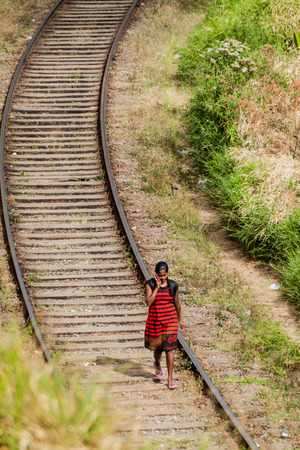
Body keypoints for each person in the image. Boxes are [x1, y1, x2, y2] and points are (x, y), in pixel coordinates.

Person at [144, 261, 185, 389]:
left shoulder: (172, 285)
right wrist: (156, 287)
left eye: (164, 275)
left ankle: (170, 379)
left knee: (170, 350)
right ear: (156, 274)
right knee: (158, 349)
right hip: (156, 321)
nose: (162, 278)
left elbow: (177, 304)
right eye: (160, 275)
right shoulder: (149, 284)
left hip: (170, 321)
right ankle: (157, 364)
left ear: (167, 274)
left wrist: (179, 319)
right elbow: (149, 302)